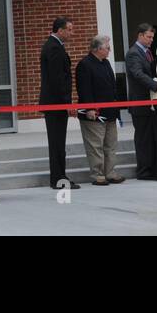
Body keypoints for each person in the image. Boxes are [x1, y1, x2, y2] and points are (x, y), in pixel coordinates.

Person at [76, 35, 125, 185]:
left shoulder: (106, 63)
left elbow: (112, 86)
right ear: (98, 49)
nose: (109, 51)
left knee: (110, 144)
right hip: (94, 113)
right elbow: (84, 89)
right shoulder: (85, 64)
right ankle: (97, 174)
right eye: (107, 48)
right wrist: (89, 108)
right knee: (95, 145)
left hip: (110, 112)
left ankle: (110, 172)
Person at [39, 17, 79, 189]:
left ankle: (59, 177)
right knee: (57, 144)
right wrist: (67, 103)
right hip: (55, 103)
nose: (72, 33)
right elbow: (58, 80)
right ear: (60, 30)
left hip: (56, 102)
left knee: (58, 143)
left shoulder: (54, 46)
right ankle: (58, 179)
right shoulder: (54, 48)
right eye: (69, 29)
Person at [125, 22, 157, 178]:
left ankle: (153, 168)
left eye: (152, 37)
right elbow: (138, 74)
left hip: (151, 103)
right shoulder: (134, 53)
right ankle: (143, 171)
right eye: (149, 37)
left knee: (151, 137)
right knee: (144, 139)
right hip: (140, 102)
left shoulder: (147, 52)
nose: (151, 40)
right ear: (140, 35)